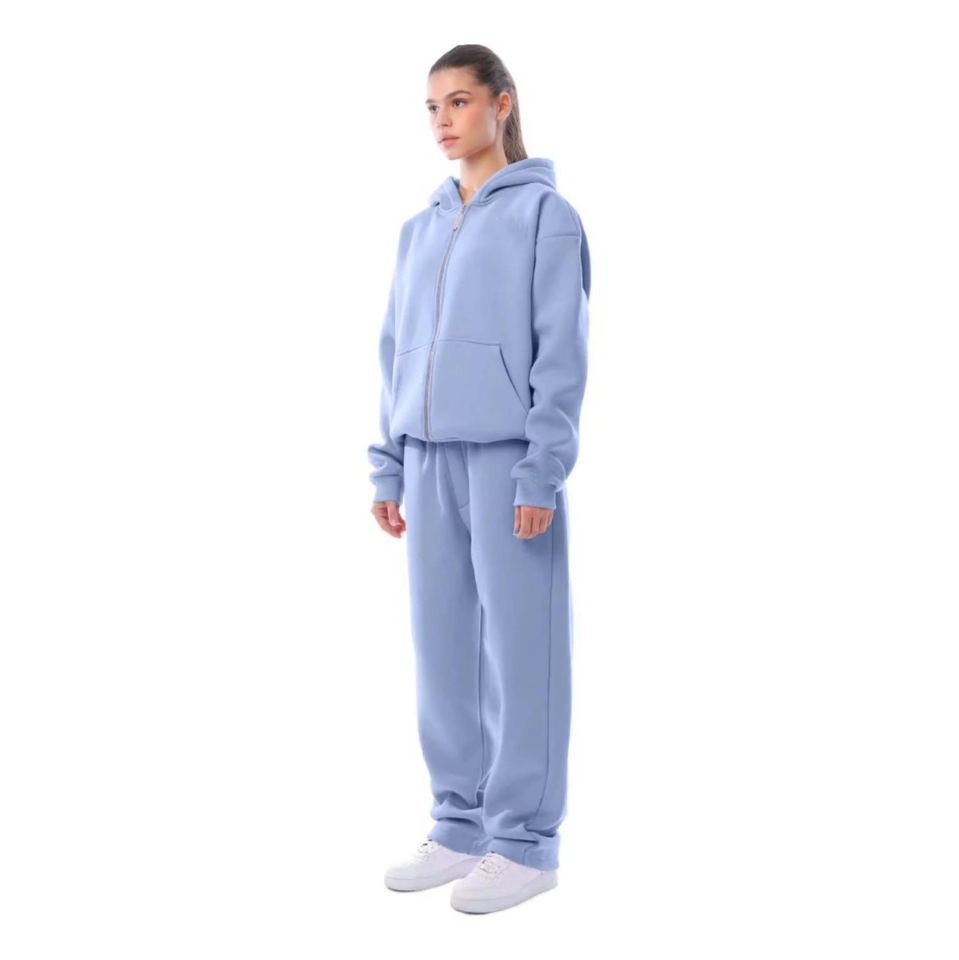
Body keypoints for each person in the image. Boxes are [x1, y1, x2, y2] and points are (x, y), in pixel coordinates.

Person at [367, 44, 591, 914]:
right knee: (444, 652)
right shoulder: (418, 228)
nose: (442, 121)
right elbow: (395, 352)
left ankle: (525, 842)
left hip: (506, 459)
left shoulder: (545, 216)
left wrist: (541, 471)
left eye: (458, 101)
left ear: (502, 105)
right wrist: (389, 461)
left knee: (523, 652)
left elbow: (560, 354)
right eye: (432, 107)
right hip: (426, 460)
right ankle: (459, 824)